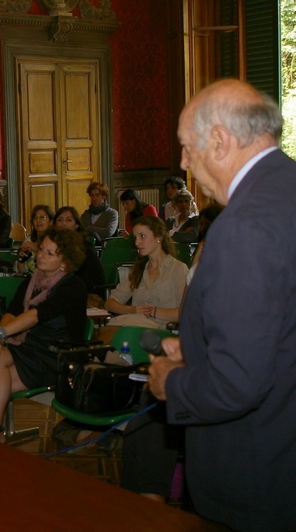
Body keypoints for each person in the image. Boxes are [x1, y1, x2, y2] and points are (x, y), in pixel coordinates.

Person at [149, 79, 296, 531]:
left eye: (186, 148)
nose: (182, 162)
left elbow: (238, 385)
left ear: (219, 140)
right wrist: (199, 350)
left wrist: (173, 382)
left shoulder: (241, 227)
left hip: (255, 476)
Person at [0, 228, 87, 443]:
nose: (40, 256)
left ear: (65, 262)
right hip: (27, 347)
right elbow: (12, 312)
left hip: (56, 355)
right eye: (42, 249)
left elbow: (37, 315)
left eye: (50, 253)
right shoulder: (32, 282)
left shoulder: (73, 286)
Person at [101, 216, 187, 342]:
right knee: (106, 332)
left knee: (115, 335)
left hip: (162, 331)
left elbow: (185, 312)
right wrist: (131, 309)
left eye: (142, 236)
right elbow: (110, 303)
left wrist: (153, 312)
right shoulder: (139, 270)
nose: (137, 243)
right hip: (136, 326)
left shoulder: (178, 269)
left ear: (158, 237)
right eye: (135, 237)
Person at [53, 206, 106, 308]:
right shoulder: (53, 245)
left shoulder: (83, 246)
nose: (63, 223)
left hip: (87, 294)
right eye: (59, 220)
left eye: (68, 220)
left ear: (76, 225)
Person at [16, 204, 53, 275]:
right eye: (35, 218)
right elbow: (21, 272)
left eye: (42, 217)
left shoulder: (55, 240)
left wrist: (36, 249)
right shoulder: (28, 241)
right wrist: (21, 259)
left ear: (51, 221)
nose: (38, 220)